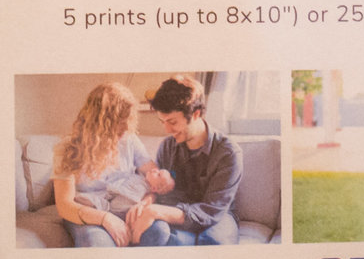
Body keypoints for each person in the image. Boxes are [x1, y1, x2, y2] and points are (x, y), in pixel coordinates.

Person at [126, 75, 243, 246]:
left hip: (216, 215)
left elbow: (212, 210)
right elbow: (160, 190)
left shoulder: (228, 153)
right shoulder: (167, 146)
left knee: (213, 242)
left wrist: (155, 211)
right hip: (176, 209)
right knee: (168, 239)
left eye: (172, 122)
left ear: (196, 114)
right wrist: (146, 201)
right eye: (163, 122)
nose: (167, 130)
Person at [51, 83, 166, 247]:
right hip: (89, 213)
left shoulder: (129, 139)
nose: (126, 127)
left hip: (126, 207)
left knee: (160, 231)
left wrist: (145, 202)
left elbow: (158, 179)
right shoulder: (68, 148)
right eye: (120, 121)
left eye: (129, 120)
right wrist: (105, 218)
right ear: (99, 120)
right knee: (97, 243)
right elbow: (64, 205)